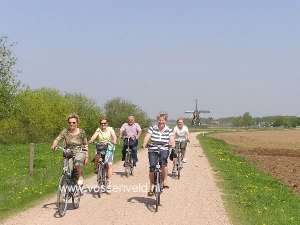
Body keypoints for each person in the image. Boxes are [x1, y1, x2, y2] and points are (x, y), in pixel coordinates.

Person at [142, 111, 175, 197]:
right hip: (153, 148)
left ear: (165, 121)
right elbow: (147, 136)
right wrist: (144, 143)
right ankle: (151, 186)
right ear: (157, 120)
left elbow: (171, 138)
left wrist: (173, 145)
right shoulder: (153, 127)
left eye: (163, 120)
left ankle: (165, 181)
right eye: (159, 120)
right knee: (152, 167)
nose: (161, 122)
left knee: (163, 162)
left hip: (164, 148)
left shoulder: (169, 129)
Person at [51, 114, 89, 186]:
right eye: (70, 122)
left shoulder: (82, 132)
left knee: (77, 161)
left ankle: (80, 176)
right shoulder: (65, 131)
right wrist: (54, 145)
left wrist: (86, 157)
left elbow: (85, 145)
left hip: (80, 151)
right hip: (68, 152)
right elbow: (57, 139)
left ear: (77, 123)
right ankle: (67, 186)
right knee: (68, 170)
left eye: (74, 122)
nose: (71, 124)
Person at [88, 117, 117, 189]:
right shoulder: (98, 130)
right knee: (97, 156)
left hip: (109, 147)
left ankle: (109, 183)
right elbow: (94, 135)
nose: (103, 125)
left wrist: (114, 140)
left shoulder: (110, 129)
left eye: (104, 123)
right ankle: (96, 168)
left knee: (108, 164)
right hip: (100, 146)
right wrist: (91, 140)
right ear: (100, 124)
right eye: (101, 123)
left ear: (107, 124)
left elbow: (114, 136)